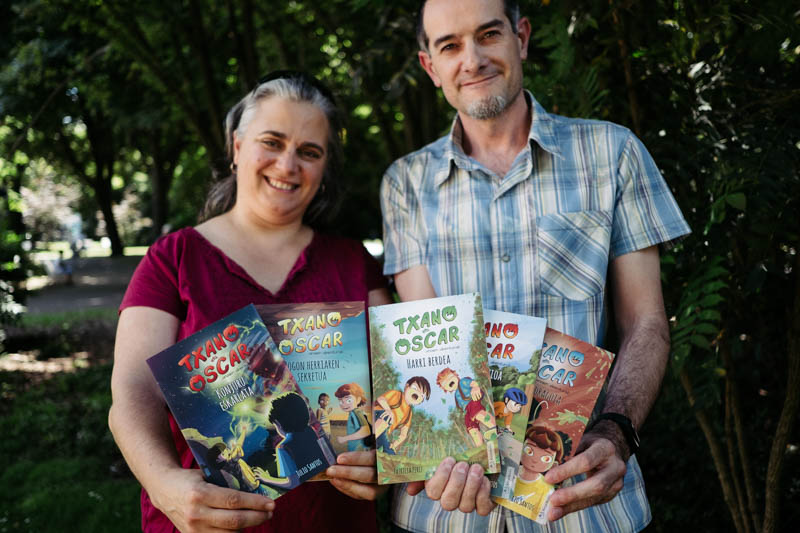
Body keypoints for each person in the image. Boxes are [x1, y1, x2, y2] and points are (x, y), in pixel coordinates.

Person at [379, 0, 691, 531]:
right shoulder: (404, 184)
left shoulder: (612, 152)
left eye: (489, 34)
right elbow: (424, 346)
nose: (472, 59)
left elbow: (646, 323)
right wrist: (430, 445)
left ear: (521, 37)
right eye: (450, 46)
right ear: (430, 66)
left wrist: (616, 433)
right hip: (448, 507)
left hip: (584, 503)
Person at [108, 70, 392, 533]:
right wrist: (163, 486)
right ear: (237, 147)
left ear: (324, 168)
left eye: (309, 152)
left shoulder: (353, 262)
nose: (288, 165)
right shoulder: (173, 258)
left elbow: (391, 386)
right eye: (272, 142)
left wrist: (387, 455)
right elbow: (132, 393)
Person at [335, 383, 372, 452]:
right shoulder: (354, 413)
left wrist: (344, 439)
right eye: (341, 401)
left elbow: (365, 431)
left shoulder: (355, 413)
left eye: (348, 400)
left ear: (358, 400)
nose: (344, 404)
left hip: (359, 449)